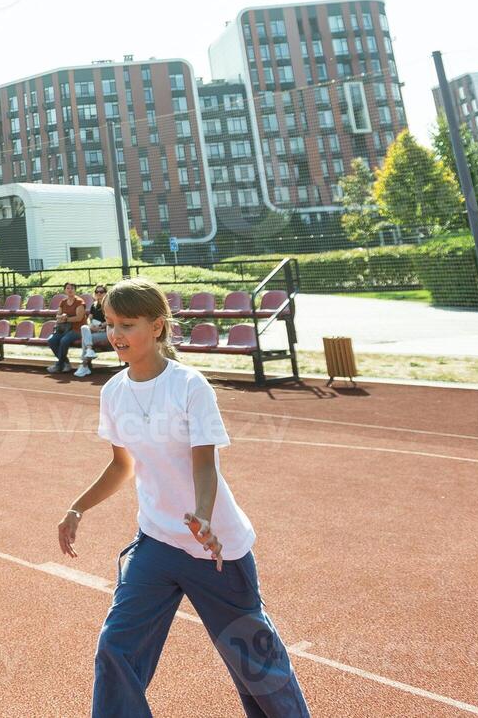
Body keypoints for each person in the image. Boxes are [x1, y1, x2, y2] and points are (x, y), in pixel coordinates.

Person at [57, 277, 309, 717]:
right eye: (111, 323)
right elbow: (122, 465)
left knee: (255, 665)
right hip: (156, 541)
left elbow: (205, 464)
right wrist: (78, 506)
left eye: (128, 324)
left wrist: (205, 517)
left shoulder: (190, 386)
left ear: (156, 327)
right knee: (116, 649)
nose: (115, 334)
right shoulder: (113, 391)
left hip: (215, 548)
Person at [47, 281, 87, 374]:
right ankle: (65, 363)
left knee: (64, 340)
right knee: (51, 340)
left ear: (75, 290)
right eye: (68, 288)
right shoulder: (63, 302)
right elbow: (57, 316)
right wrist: (61, 317)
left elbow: (79, 318)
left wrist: (65, 319)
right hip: (63, 328)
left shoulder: (79, 302)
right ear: (65, 290)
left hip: (77, 329)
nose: (70, 290)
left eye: (72, 288)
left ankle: (59, 365)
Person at [75, 283, 111, 378]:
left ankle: (84, 364)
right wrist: (91, 325)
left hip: (105, 332)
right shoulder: (94, 306)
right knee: (84, 328)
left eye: (101, 292)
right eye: (97, 292)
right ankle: (89, 351)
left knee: (85, 340)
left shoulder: (109, 305)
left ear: (106, 293)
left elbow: (111, 320)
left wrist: (100, 325)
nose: (99, 294)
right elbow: (88, 318)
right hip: (94, 330)